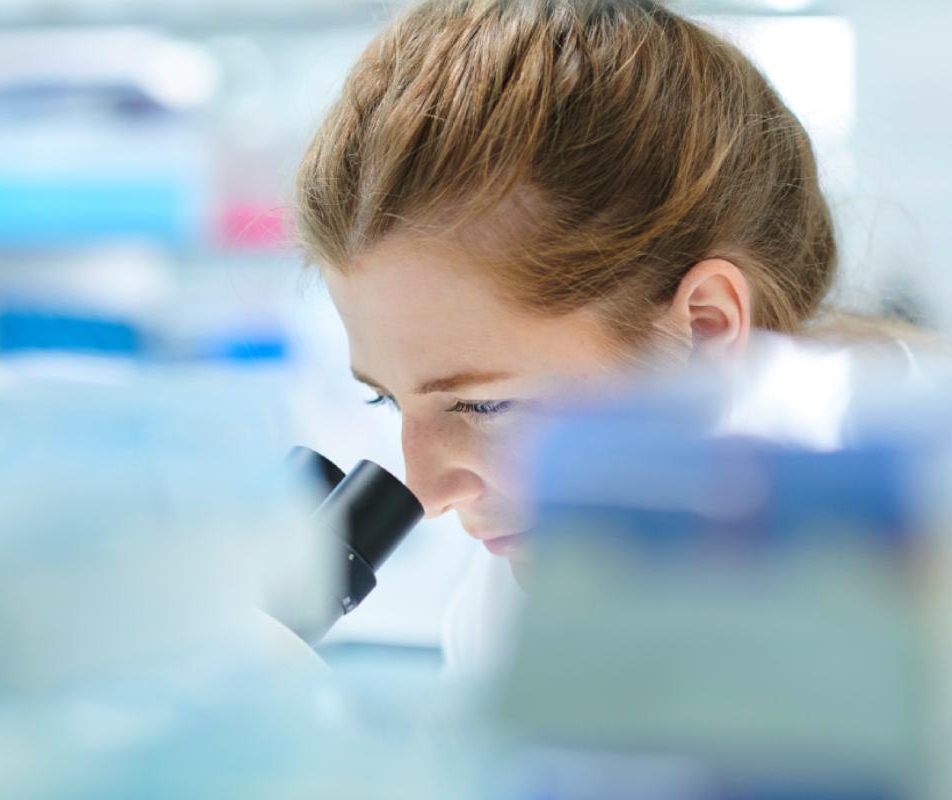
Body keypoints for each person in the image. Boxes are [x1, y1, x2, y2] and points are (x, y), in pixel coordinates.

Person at [292, 0, 935, 674]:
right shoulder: (515, 604)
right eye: (388, 401)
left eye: (486, 406)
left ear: (708, 334)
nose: (425, 493)